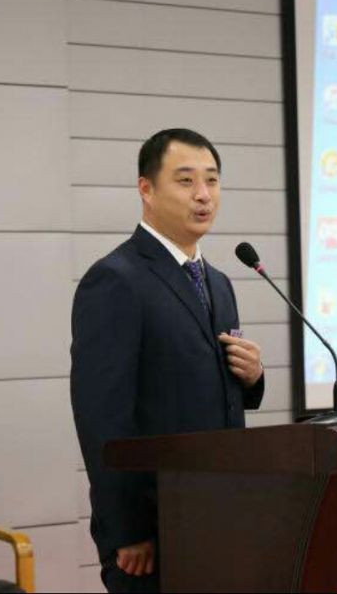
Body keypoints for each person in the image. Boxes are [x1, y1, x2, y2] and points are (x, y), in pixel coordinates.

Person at [70, 128, 265, 593]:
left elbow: (209, 390)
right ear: (147, 189)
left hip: (219, 518)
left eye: (212, 180)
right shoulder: (115, 280)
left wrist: (253, 377)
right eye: (185, 180)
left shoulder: (219, 282)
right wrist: (127, 528)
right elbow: (101, 416)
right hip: (154, 530)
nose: (203, 195)